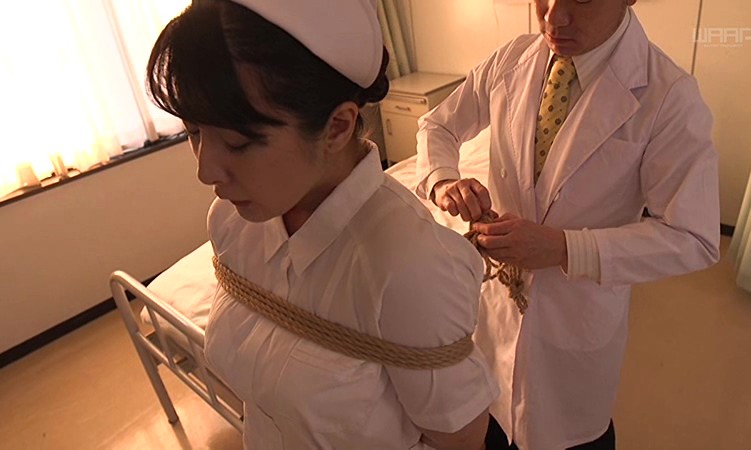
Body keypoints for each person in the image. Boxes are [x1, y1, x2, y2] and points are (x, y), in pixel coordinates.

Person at [145, 1, 500, 449]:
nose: (205, 171)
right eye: (193, 132)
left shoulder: (408, 268)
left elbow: (461, 439)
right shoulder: (231, 223)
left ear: (337, 127)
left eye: (237, 143)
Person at [415, 1, 721, 449]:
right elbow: (437, 126)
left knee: (569, 432)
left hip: (576, 314)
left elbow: (693, 237)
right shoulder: (512, 58)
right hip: (496, 307)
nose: (554, 17)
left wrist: (563, 248)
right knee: (493, 420)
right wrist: (444, 181)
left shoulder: (668, 95)